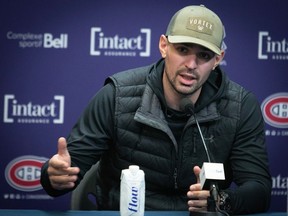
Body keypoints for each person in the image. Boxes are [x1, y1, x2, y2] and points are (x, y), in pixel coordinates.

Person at [40, 5, 272, 215]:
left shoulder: (241, 106)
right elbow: (63, 177)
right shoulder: (117, 95)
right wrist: (53, 176)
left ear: (218, 59)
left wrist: (221, 200)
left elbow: (259, 190)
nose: (191, 65)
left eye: (204, 55)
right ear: (164, 46)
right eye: (182, 49)